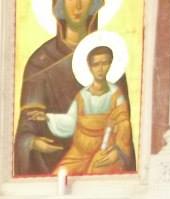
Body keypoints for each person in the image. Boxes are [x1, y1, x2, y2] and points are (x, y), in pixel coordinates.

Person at [14, 0, 134, 176]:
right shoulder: (40, 62)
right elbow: (29, 127)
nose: (77, 6)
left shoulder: (111, 62)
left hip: (103, 160)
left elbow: (123, 124)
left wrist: (120, 152)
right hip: (56, 168)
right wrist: (33, 142)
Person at [44, 44, 134, 175]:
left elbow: (123, 124)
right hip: (79, 153)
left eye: (104, 63)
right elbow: (71, 121)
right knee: (59, 174)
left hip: (105, 148)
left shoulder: (116, 95)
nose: (100, 69)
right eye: (96, 64)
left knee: (96, 173)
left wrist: (118, 152)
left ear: (110, 64)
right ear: (90, 67)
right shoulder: (82, 95)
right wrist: (47, 117)